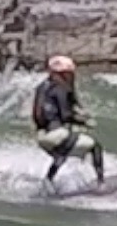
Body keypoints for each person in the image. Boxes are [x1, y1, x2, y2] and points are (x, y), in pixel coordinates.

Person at [31, 55, 106, 192]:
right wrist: (84, 122)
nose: (72, 77)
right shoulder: (60, 89)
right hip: (56, 135)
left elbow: (39, 115)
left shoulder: (41, 87)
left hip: (41, 137)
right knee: (95, 146)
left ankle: (49, 181)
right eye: (69, 73)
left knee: (64, 148)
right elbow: (66, 116)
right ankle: (101, 184)